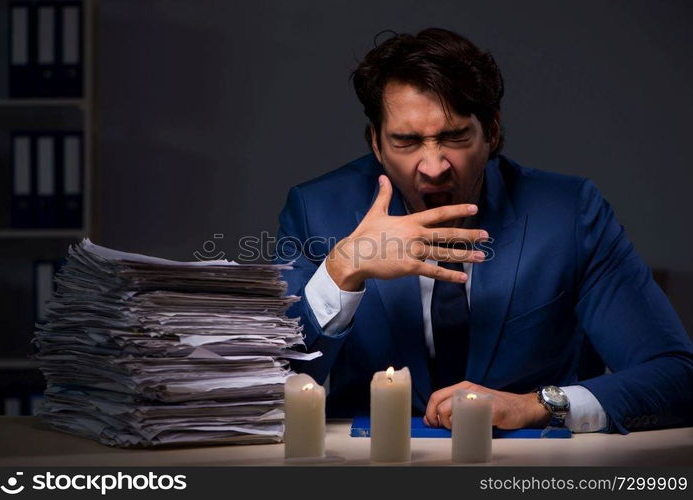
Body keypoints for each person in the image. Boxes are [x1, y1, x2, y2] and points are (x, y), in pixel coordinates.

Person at [273, 27, 693, 433]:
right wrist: (343, 270)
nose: (433, 167)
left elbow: (678, 376)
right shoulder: (317, 212)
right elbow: (268, 386)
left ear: (491, 132)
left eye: (455, 137)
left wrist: (537, 406)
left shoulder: (569, 214)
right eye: (406, 142)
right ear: (376, 145)